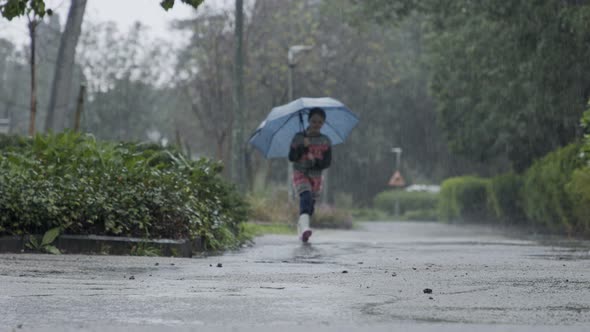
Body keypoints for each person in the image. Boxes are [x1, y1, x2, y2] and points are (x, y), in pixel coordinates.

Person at [288, 107, 332, 243]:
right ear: (308, 121)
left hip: (316, 177)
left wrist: (315, 161)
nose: (316, 124)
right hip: (300, 173)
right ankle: (305, 227)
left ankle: (301, 228)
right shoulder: (298, 137)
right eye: (313, 121)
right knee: (305, 197)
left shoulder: (325, 140)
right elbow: (292, 157)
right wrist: (303, 147)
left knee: (310, 207)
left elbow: (326, 163)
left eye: (319, 122)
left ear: (323, 123)